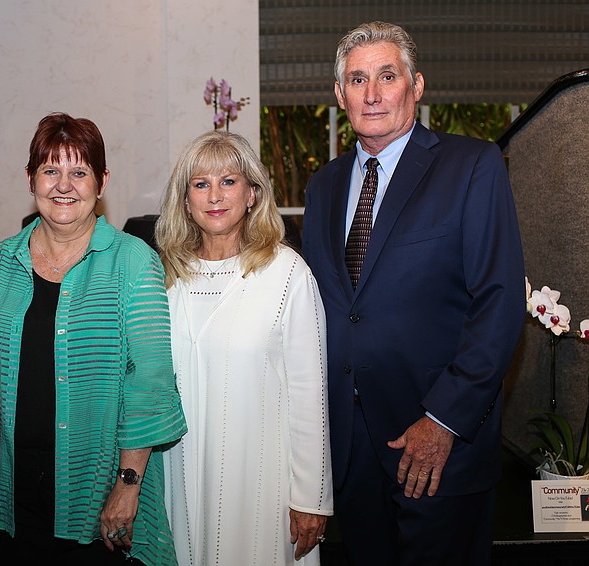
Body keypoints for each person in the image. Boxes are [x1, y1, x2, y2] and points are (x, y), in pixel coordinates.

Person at [301, 21, 526, 565]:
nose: (372, 93)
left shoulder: (473, 166)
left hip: (436, 447)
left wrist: (445, 420)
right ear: (339, 95)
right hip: (348, 449)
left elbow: (499, 302)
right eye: (357, 80)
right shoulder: (323, 185)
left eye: (387, 76)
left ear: (416, 85)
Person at [0, 112, 187, 565]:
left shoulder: (133, 262)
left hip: (100, 493)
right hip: (15, 491)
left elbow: (151, 382)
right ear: (30, 180)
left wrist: (127, 485)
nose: (63, 185)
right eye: (50, 171)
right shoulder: (0, 262)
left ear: (102, 181)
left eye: (79, 172)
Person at [156, 130, 333, 565]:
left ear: (253, 193)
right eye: (200, 184)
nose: (214, 195)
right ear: (185, 200)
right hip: (178, 474)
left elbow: (310, 394)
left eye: (228, 181)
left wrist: (312, 497)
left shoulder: (287, 274)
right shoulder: (164, 278)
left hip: (262, 482)